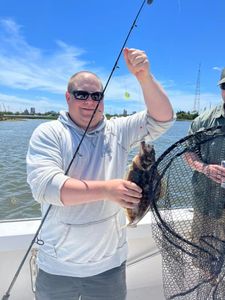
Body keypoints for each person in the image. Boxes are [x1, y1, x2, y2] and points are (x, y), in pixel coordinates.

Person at [26, 47, 174, 300]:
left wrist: (144, 77)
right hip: (57, 267)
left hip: (109, 266)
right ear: (67, 97)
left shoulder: (118, 130)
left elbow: (162, 119)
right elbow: (46, 188)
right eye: (81, 94)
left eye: (97, 95)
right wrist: (107, 189)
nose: (90, 101)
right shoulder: (49, 133)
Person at [185, 67, 225, 277]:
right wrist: (205, 168)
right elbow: (189, 153)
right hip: (205, 203)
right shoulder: (203, 121)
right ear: (220, 89)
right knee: (203, 260)